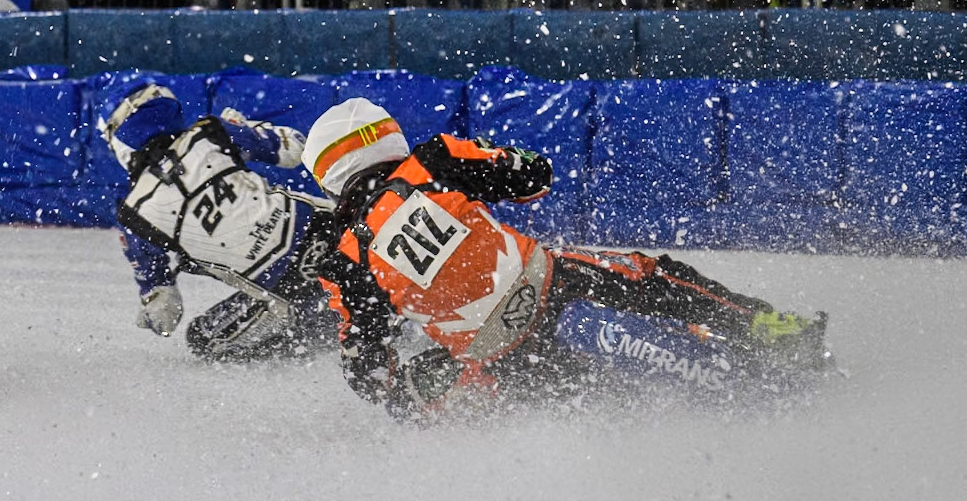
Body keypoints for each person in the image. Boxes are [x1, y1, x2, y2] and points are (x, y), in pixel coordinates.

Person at [303, 97, 828, 416]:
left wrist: (410, 385)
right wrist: (506, 156)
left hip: (501, 356)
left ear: (330, 173)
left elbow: (366, 371)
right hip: (553, 281)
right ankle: (771, 329)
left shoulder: (344, 260)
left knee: (594, 402)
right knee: (659, 277)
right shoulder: (429, 161)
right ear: (385, 137)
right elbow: (534, 177)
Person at [101, 81, 337, 360]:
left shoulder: (134, 214)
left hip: (289, 287)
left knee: (203, 337)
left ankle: (325, 331)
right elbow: (295, 148)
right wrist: (244, 127)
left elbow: (166, 312)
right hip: (330, 230)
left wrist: (152, 301)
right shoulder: (209, 132)